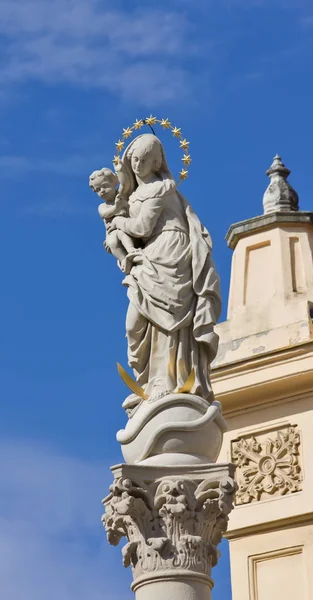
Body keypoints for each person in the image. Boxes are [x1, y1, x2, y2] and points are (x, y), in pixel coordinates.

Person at [108, 134, 221, 402]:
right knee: (135, 325)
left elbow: (143, 228)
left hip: (169, 250)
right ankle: (149, 381)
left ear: (157, 162)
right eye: (134, 159)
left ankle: (170, 381)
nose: (138, 165)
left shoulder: (162, 189)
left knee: (170, 321)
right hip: (150, 254)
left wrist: (119, 224)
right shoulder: (135, 194)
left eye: (145, 160)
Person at [89, 168, 136, 271]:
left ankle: (131, 251)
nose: (102, 191)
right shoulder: (102, 206)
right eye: (98, 190)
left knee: (122, 234)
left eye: (104, 186)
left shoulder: (120, 195)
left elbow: (125, 184)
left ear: (114, 182)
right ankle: (124, 260)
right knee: (112, 242)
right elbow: (105, 214)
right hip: (111, 233)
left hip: (126, 228)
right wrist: (116, 208)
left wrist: (120, 169)